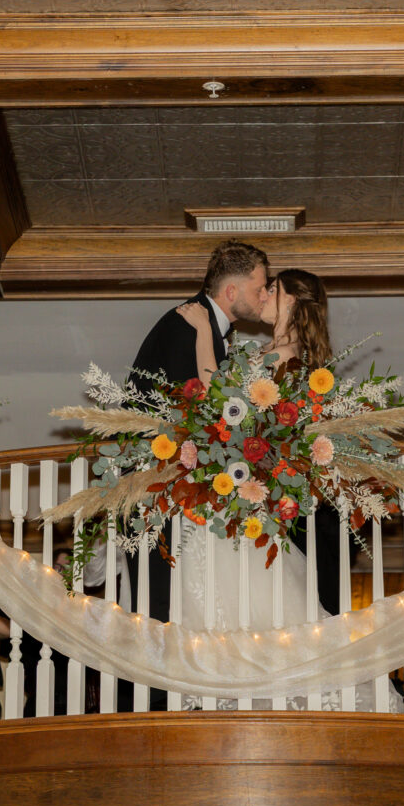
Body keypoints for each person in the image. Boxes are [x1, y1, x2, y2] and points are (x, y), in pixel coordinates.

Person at [177, 268, 402, 711]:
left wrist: (204, 329)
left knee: (264, 617)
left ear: (293, 299)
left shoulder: (281, 357)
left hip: (246, 506)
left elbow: (216, 399)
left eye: (271, 289)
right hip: (245, 501)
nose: (261, 295)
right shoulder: (274, 353)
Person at [129, 239, 269, 708]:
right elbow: (201, 413)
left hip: (183, 497)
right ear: (232, 292)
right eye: (260, 285)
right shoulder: (187, 324)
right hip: (162, 496)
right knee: (163, 613)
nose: (264, 293)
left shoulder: (205, 325)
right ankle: (161, 714)